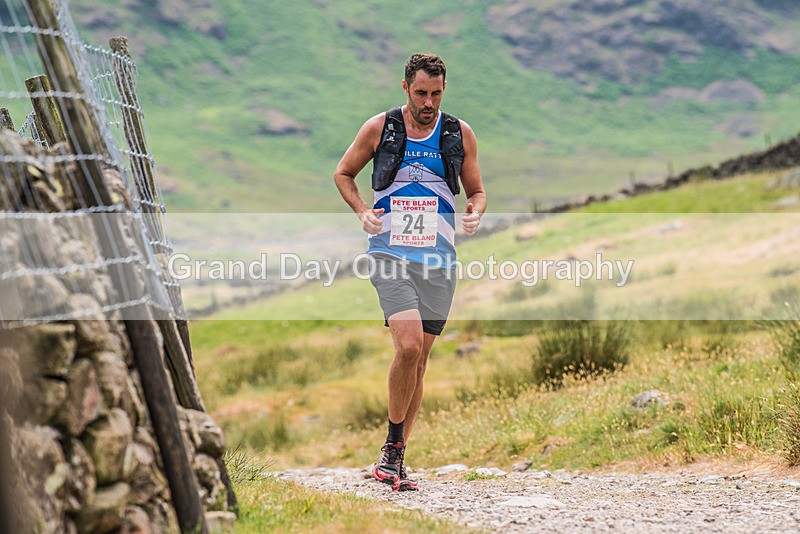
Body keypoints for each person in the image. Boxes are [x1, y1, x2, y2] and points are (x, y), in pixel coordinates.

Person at [333, 53, 486, 491]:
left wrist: (473, 212)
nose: (429, 102)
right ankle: (392, 447)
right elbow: (343, 173)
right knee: (407, 345)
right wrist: (363, 210)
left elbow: (476, 190)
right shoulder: (381, 128)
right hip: (390, 254)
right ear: (405, 88)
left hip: (438, 259)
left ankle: (395, 458)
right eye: (421, 93)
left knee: (420, 360)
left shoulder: (459, 133)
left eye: (437, 93)